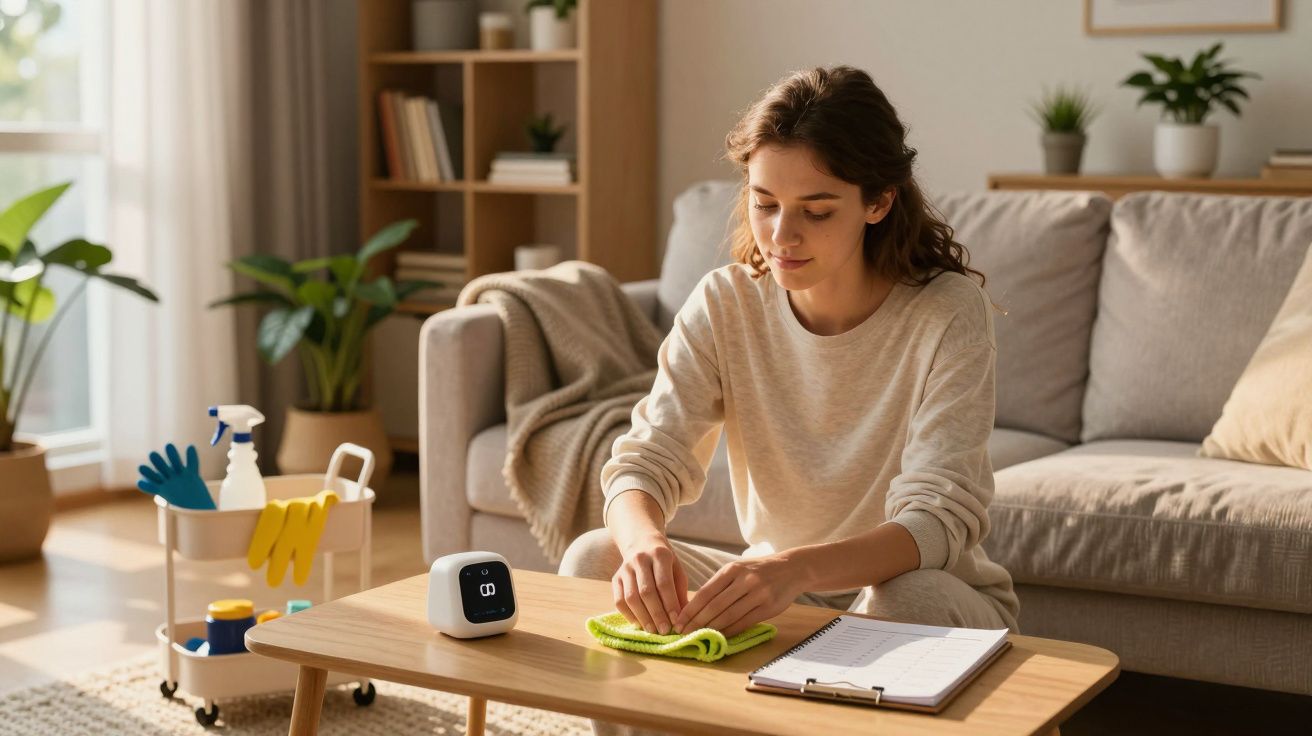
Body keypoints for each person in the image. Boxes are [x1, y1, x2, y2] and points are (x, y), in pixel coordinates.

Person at [558, 65, 1019, 736]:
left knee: (902, 597)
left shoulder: (948, 311)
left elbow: (936, 523)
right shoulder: (725, 302)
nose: (781, 235)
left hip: (923, 597)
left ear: (878, 201)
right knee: (597, 557)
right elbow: (644, 462)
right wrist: (645, 542)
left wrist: (790, 569)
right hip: (784, 593)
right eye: (764, 202)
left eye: (816, 210)